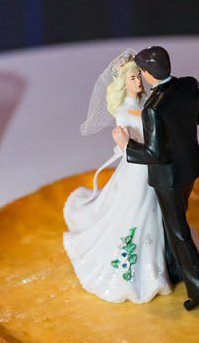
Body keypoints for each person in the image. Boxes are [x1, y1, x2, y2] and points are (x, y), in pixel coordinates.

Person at [61, 52, 169, 304]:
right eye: (132, 78)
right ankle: (130, 269)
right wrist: (125, 144)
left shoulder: (147, 105)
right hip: (136, 167)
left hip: (151, 164)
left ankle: (157, 263)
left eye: (139, 77)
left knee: (152, 209)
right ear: (123, 82)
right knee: (135, 210)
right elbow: (125, 145)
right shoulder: (125, 112)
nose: (138, 82)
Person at [121, 45, 199, 309]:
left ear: (149, 74)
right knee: (172, 225)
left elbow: (155, 153)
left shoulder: (153, 108)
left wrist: (126, 145)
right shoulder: (189, 85)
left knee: (178, 233)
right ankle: (175, 270)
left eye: (141, 72)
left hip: (169, 178)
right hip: (191, 168)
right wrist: (178, 130)